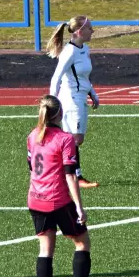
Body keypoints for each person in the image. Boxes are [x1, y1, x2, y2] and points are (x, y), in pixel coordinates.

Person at [27, 95, 93, 277]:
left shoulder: (32, 135)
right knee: (82, 243)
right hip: (58, 200)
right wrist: (80, 208)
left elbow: (31, 167)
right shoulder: (66, 140)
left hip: (36, 200)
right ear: (61, 113)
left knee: (45, 249)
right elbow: (70, 175)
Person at [47, 15, 100, 189]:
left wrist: (92, 92)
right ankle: (74, 175)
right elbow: (56, 77)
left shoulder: (85, 48)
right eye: (89, 28)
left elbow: (84, 75)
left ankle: (66, 172)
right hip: (70, 98)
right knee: (74, 138)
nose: (92, 31)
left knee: (75, 139)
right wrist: (52, 102)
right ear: (79, 31)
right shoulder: (69, 52)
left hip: (81, 97)